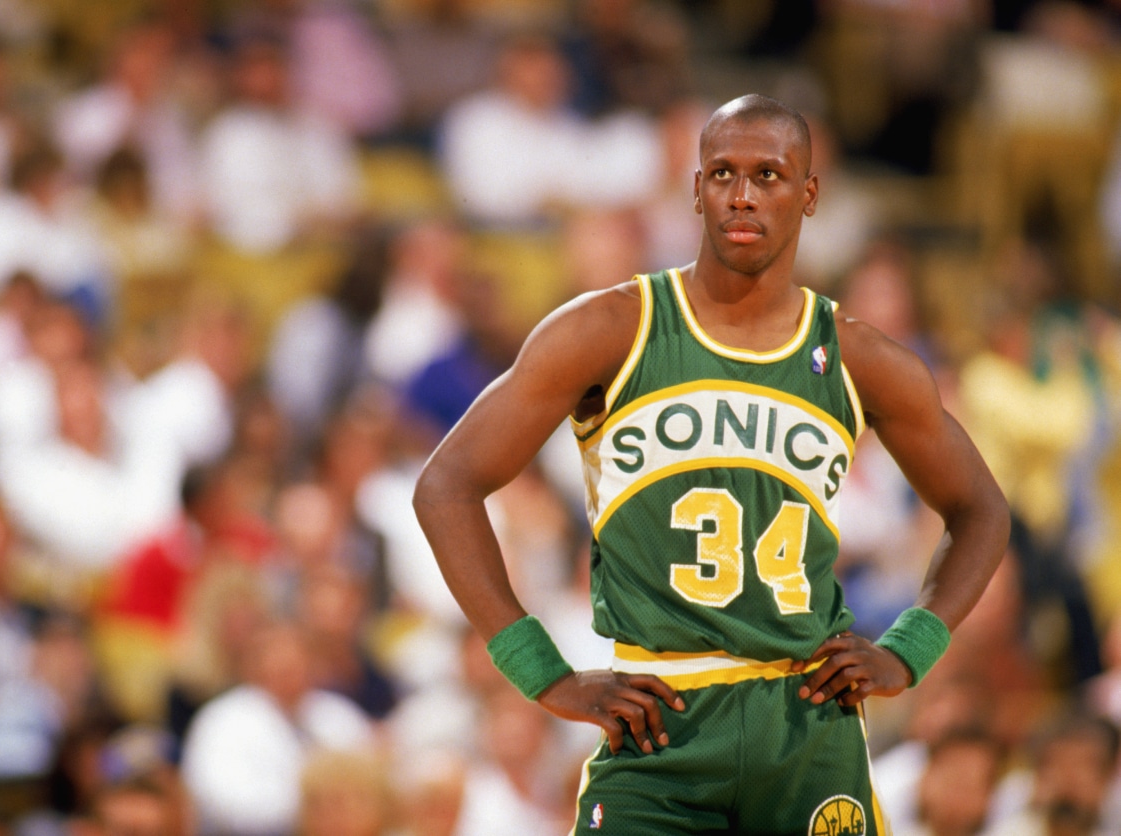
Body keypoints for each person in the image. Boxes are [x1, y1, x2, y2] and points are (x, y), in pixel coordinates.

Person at [413, 93, 1011, 833]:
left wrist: (909, 649)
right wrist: (541, 673)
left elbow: (983, 510)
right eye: (722, 173)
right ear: (694, 190)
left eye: (769, 174)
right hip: (659, 720)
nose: (743, 194)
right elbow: (445, 486)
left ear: (810, 193)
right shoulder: (608, 329)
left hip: (807, 724)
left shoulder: (861, 358)